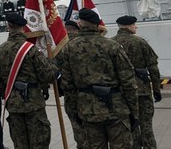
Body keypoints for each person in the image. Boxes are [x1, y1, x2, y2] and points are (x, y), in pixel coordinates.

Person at [60, 8, 138, 148]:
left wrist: (73, 111)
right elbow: (128, 81)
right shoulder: (112, 46)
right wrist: (134, 111)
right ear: (97, 25)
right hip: (116, 109)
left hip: (88, 110)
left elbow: (67, 84)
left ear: (80, 24)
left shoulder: (69, 48)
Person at [0, 14, 57, 149]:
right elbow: (47, 75)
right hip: (33, 102)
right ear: (23, 28)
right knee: (39, 142)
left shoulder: (0, 50)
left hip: (13, 102)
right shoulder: (31, 49)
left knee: (20, 143)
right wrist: (52, 64)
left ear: (8, 26)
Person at [112, 15, 161, 149]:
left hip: (122, 95)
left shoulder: (111, 44)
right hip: (142, 92)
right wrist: (156, 89)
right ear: (128, 26)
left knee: (130, 128)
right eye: (134, 24)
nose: (136, 26)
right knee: (146, 127)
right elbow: (153, 68)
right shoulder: (141, 42)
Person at [59, 20, 85, 149]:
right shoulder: (86, 42)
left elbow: (54, 70)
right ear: (77, 29)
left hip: (71, 95)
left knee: (77, 128)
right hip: (92, 96)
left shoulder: (60, 46)